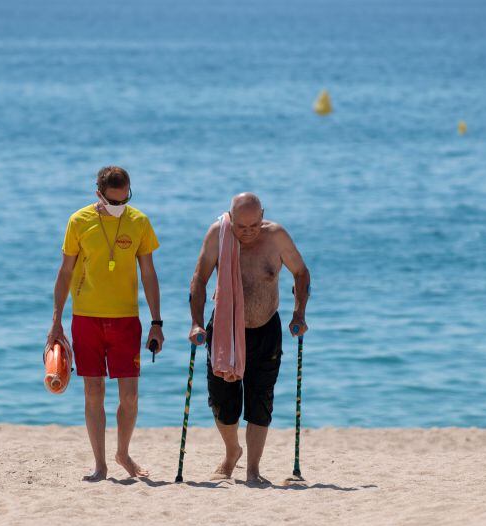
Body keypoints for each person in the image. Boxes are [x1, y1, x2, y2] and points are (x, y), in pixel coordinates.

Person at [47, 166, 164, 481]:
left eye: (123, 200)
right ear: (98, 193)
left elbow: (149, 274)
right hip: (86, 318)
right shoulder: (79, 221)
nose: (118, 206)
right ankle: (100, 464)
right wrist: (56, 320)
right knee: (94, 391)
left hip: (126, 320)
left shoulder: (139, 222)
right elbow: (65, 273)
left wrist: (157, 321)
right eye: (112, 202)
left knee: (130, 396)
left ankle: (123, 452)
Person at [188, 193, 310, 485]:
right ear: (230, 217)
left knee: (261, 401)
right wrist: (195, 323)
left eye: (253, 225)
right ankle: (232, 452)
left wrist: (299, 314)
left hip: (266, 328)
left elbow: (301, 273)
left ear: (262, 216)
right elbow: (199, 279)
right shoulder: (219, 234)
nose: (247, 232)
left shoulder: (276, 236)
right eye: (240, 227)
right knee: (223, 402)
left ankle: (253, 469)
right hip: (225, 329)